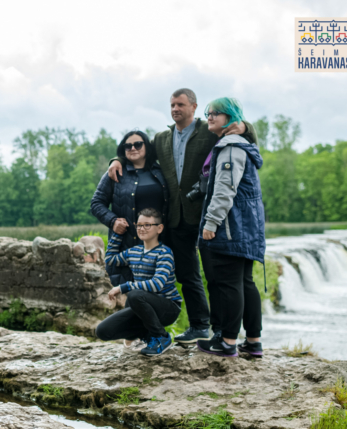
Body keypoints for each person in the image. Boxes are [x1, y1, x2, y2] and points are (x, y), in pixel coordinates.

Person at [107, 88, 257, 344]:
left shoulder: (208, 133)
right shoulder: (161, 138)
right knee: (187, 276)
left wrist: (244, 127)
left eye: (181, 104)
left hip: (206, 218)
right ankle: (199, 325)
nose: (175, 109)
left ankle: (221, 330)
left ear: (194, 107)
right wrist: (116, 158)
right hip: (175, 218)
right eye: (172, 105)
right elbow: (138, 152)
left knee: (215, 277)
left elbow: (243, 139)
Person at [195, 98, 265, 358]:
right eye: (208, 113)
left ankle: (227, 343)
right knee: (245, 282)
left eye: (216, 113)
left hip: (231, 227)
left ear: (230, 118)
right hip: (247, 227)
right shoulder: (240, 144)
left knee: (229, 284)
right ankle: (253, 342)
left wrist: (211, 222)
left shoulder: (231, 146)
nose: (210, 117)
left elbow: (225, 189)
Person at [95, 208, 183, 356]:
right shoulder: (133, 252)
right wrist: (117, 234)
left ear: (159, 228)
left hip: (168, 308)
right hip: (143, 307)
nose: (142, 228)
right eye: (139, 225)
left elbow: (157, 284)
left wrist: (123, 287)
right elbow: (110, 260)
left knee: (134, 295)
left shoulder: (164, 253)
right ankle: (147, 337)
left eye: (147, 225)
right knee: (102, 331)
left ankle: (161, 337)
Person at [90, 131, 169, 286]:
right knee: (126, 295)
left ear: (147, 146)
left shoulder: (161, 172)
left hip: (157, 244)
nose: (133, 148)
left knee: (155, 293)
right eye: (128, 146)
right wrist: (112, 221)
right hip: (126, 244)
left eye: (138, 144)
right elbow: (96, 203)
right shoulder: (114, 172)